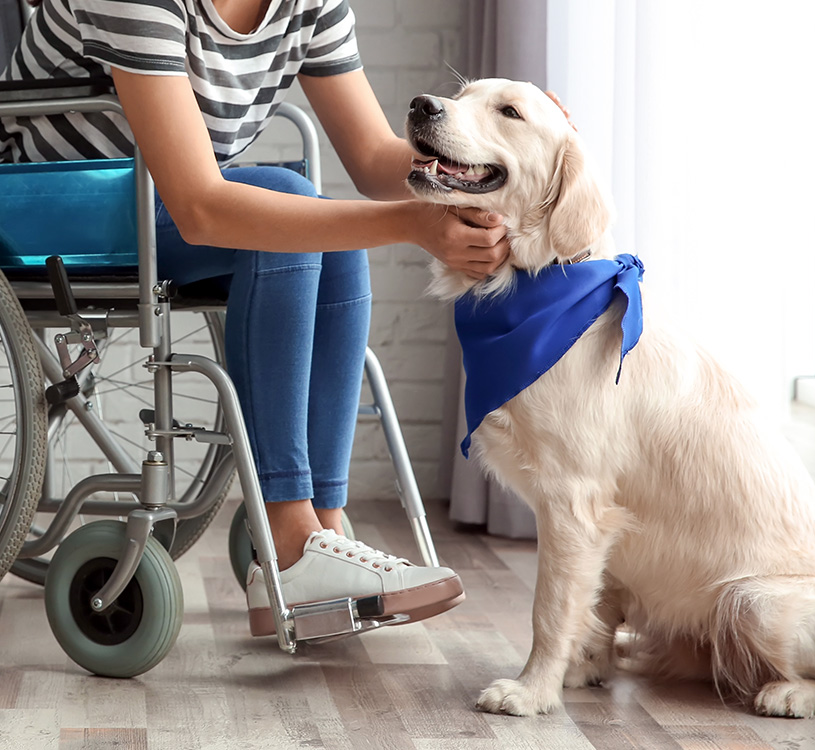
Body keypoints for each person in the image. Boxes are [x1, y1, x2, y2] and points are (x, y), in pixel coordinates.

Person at [0, 0, 509, 634]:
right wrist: (410, 225)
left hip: (155, 207)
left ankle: (322, 530)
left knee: (333, 240)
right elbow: (201, 207)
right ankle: (290, 539)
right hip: (53, 207)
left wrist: (488, 163)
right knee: (293, 206)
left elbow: (379, 160)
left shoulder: (308, 7)